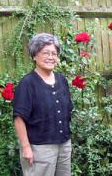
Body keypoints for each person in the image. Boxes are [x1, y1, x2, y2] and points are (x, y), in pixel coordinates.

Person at [13, 33, 73, 176]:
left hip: (63, 145)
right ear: (34, 56)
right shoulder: (27, 84)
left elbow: (67, 111)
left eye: (54, 53)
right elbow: (19, 118)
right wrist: (26, 147)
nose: (51, 57)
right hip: (39, 149)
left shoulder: (62, 80)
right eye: (46, 53)